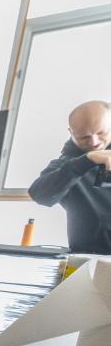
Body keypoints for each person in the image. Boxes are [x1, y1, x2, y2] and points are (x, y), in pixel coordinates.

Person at [30, 100, 111, 253]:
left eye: (101, 133)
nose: (94, 142)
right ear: (71, 133)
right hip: (83, 260)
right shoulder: (66, 165)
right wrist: (87, 160)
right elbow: (40, 196)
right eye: (84, 137)